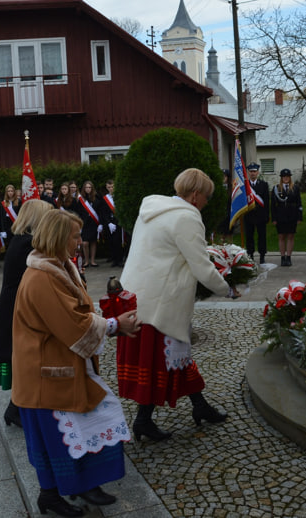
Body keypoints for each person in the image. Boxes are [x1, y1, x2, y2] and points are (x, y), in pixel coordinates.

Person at [12, 209, 141, 517]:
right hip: (45, 375)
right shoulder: (43, 277)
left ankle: (85, 483)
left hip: (60, 367)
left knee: (86, 426)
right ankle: (51, 497)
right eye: (74, 236)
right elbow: (73, 325)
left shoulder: (58, 267)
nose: (80, 242)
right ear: (58, 238)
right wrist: (114, 325)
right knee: (55, 441)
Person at [117, 168, 239, 442]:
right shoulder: (186, 218)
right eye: (206, 197)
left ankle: (199, 406)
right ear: (195, 196)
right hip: (162, 301)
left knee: (176, 356)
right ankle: (143, 421)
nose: (207, 202)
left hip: (138, 295)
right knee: (161, 361)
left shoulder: (153, 208)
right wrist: (228, 289)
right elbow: (201, 267)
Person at [0, 199, 53, 428]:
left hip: (14, 303)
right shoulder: (28, 243)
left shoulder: (20, 240)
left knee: (22, 358)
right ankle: (16, 408)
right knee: (24, 358)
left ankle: (15, 408)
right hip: (18, 307)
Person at [270, 168, 303, 267]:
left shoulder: (295, 188)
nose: (286, 178)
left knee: (290, 236)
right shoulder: (276, 188)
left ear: (290, 177)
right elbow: (273, 205)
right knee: (281, 236)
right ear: (281, 178)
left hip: (292, 215)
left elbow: (299, 203)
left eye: (287, 176)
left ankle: (288, 257)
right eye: (284, 176)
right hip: (280, 215)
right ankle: (282, 257)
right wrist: (274, 218)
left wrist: (299, 217)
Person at [243, 162, 269, 264]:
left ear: (258, 172)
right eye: (251, 171)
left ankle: (262, 255)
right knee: (249, 236)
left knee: (262, 236)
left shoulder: (263, 185)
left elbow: (266, 201)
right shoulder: (245, 186)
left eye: (254, 171)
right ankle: (250, 255)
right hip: (249, 215)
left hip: (260, 215)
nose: (253, 173)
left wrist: (267, 215)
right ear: (248, 173)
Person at [74, 181, 101, 267]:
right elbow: (78, 212)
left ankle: (92, 261)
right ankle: (86, 260)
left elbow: (99, 211)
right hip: (84, 223)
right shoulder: (81, 199)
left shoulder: (96, 198)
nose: (88, 189)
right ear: (84, 189)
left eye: (89, 187)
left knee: (93, 242)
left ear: (92, 188)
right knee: (85, 243)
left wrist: (101, 224)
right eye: (86, 187)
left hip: (94, 223)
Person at [98, 180, 123, 267]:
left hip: (118, 222)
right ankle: (114, 259)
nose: (110, 189)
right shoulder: (105, 198)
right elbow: (103, 212)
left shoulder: (119, 197)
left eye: (112, 187)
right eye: (109, 187)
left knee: (118, 241)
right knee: (112, 241)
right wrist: (108, 223)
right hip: (110, 222)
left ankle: (120, 260)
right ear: (106, 188)